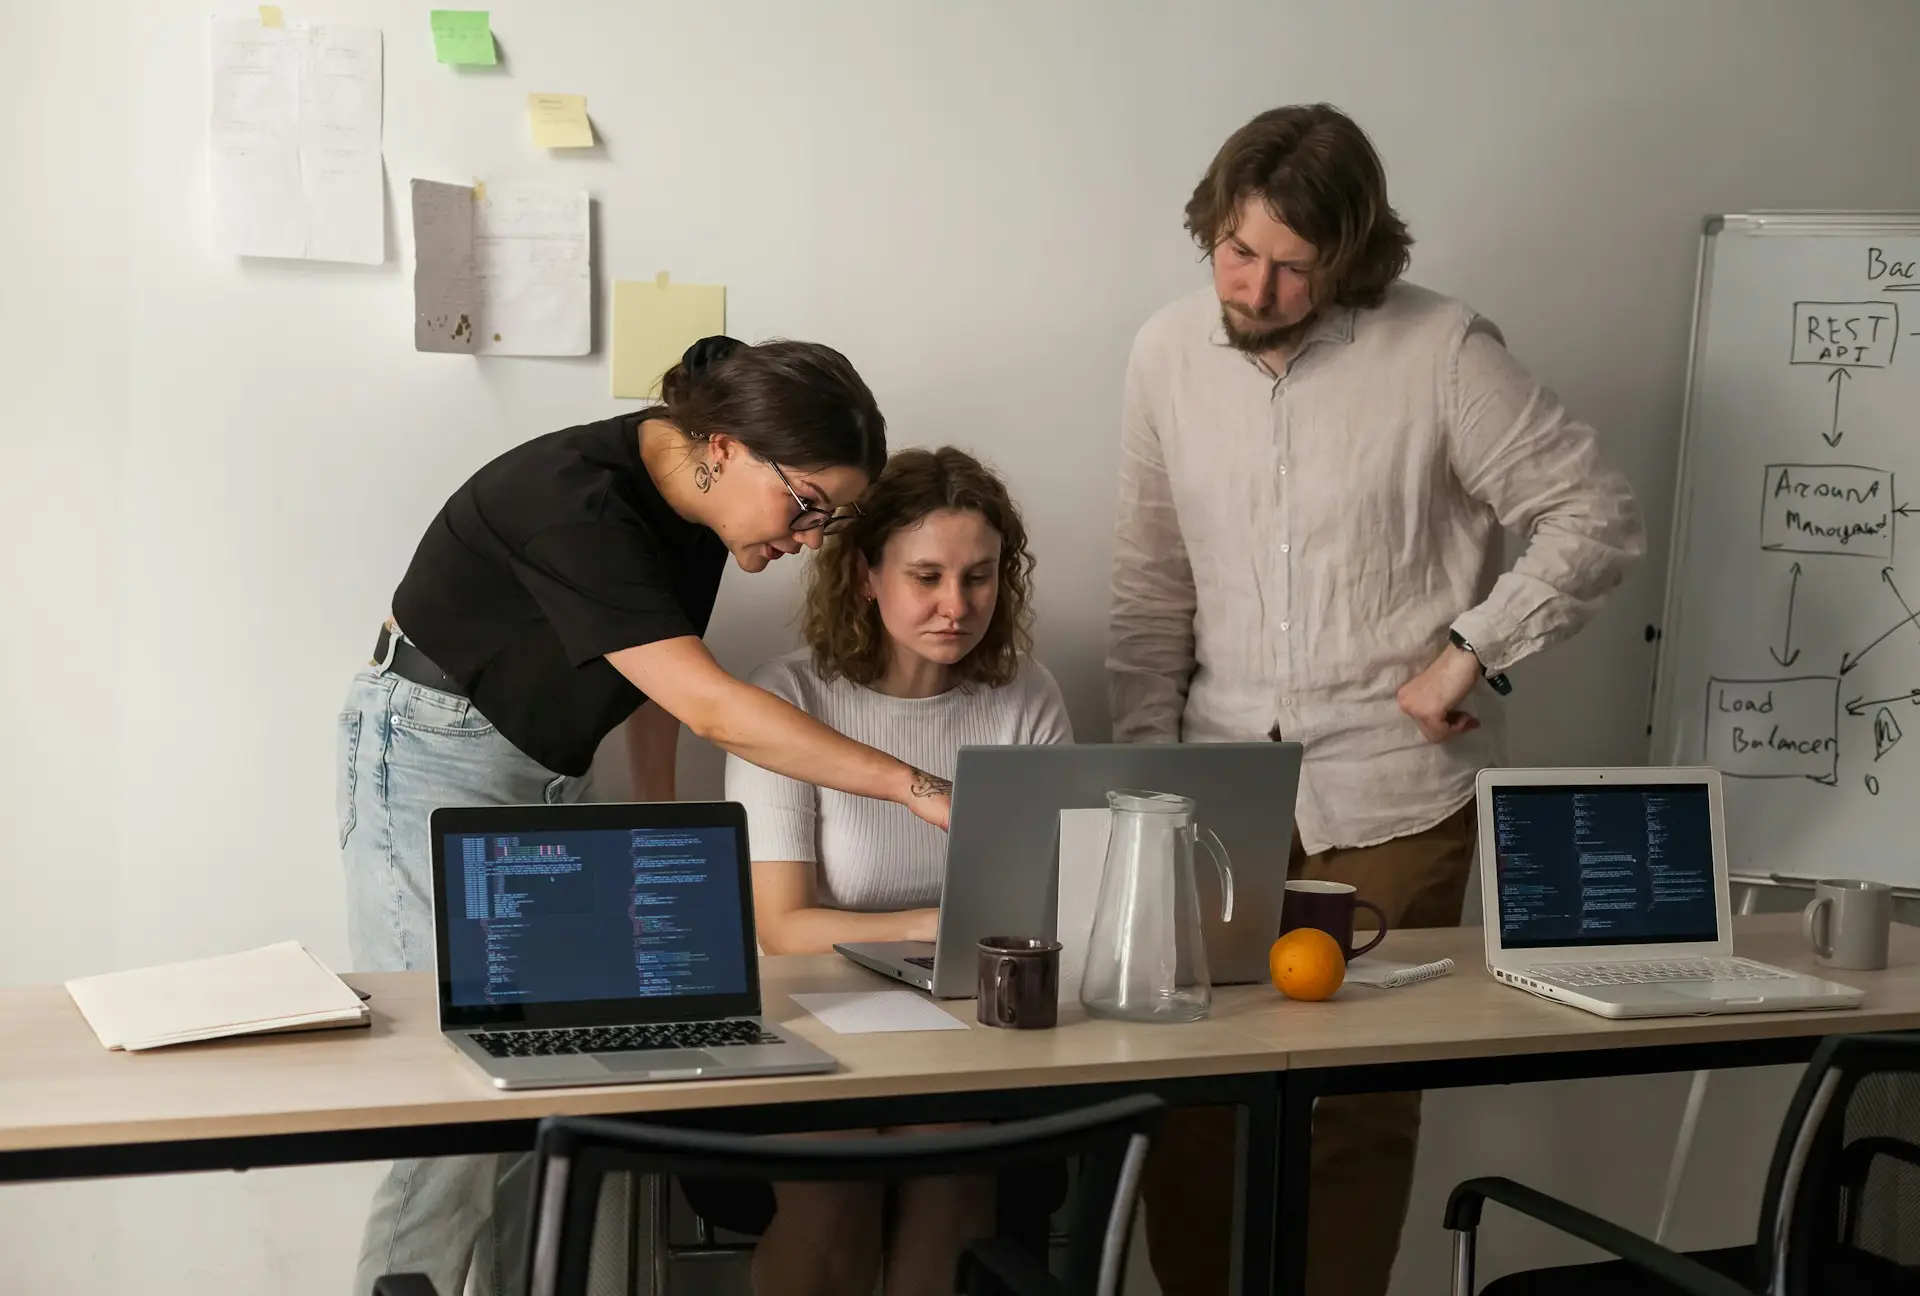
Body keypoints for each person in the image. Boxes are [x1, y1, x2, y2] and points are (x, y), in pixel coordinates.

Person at [1107, 104, 1645, 1296]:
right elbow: (1151, 584)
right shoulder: (1161, 353)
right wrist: (1149, 781)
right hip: (1213, 798)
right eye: (1238, 252)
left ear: (1352, 259)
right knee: (1193, 1103)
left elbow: (1594, 515)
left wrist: (1471, 651)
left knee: (1350, 1116)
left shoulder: (1444, 351)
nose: (1258, 285)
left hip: (1391, 802)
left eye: (1296, 266)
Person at [335, 336, 958, 1296]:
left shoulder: (692, 510)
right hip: (426, 754)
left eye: (831, 521)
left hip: (547, 772)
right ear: (722, 446)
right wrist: (917, 788)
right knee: (455, 1093)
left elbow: (662, 682)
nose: (809, 541)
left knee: (540, 1092)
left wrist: (656, 827)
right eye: (806, 508)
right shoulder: (571, 501)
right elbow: (714, 706)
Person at [704, 446, 1072, 1296]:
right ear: (866, 576)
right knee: (834, 1180)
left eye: (980, 577)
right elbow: (782, 926)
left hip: (968, 1014)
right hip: (809, 1011)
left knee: (953, 1158)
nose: (957, 606)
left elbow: (1052, 897)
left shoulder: (1025, 695)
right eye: (928, 576)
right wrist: (923, 927)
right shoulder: (793, 699)